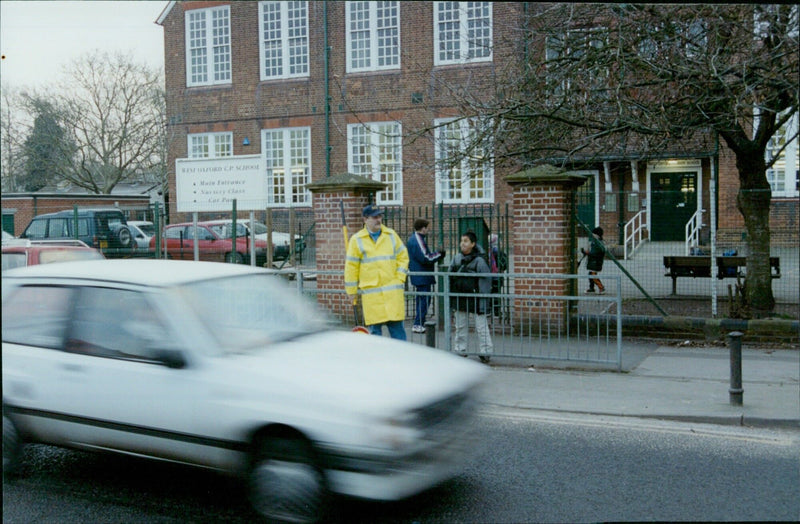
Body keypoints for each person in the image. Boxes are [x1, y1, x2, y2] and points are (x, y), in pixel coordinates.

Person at [345, 204, 410, 340]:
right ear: (365, 219)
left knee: (399, 336)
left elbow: (403, 257)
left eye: (380, 216)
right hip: (372, 296)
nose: (378, 220)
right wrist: (351, 291)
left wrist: (400, 277)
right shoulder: (357, 240)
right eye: (374, 217)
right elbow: (351, 267)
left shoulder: (391, 235)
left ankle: (402, 360)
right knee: (375, 338)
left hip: (392, 295)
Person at [449, 230, 493, 363]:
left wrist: (483, 298)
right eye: (462, 241)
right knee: (460, 326)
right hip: (460, 297)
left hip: (476, 298)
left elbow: (485, 280)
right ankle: (460, 349)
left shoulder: (479, 261)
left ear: (473, 244)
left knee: (481, 327)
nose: (462, 244)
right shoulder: (456, 258)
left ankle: (486, 351)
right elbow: (450, 276)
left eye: (466, 241)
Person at [407, 218, 446, 334]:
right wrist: (439, 254)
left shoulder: (415, 239)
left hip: (419, 274)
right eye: (427, 227)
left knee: (422, 299)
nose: (428, 230)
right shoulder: (417, 240)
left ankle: (419, 322)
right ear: (423, 228)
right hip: (422, 274)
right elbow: (426, 257)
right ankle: (418, 323)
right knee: (424, 300)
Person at [581, 226, 606, 294]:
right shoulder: (595, 242)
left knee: (593, 275)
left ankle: (601, 288)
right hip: (593, 261)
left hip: (596, 262)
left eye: (594, 234)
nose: (592, 235)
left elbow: (595, 252)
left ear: (597, 235)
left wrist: (587, 253)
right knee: (590, 274)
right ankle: (591, 288)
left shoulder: (598, 243)